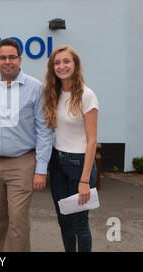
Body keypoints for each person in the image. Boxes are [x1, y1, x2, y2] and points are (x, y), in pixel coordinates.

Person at [0, 38, 53, 252]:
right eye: (3, 57)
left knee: (18, 220)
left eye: (12, 57)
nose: (7, 61)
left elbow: (44, 130)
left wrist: (41, 169)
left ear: (20, 59)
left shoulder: (35, 88)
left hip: (22, 163)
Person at [43, 45, 98, 252]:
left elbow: (92, 140)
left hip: (79, 165)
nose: (61, 66)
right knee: (64, 221)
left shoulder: (86, 95)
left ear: (75, 65)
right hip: (57, 163)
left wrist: (85, 180)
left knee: (79, 224)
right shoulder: (53, 93)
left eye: (66, 61)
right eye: (57, 63)